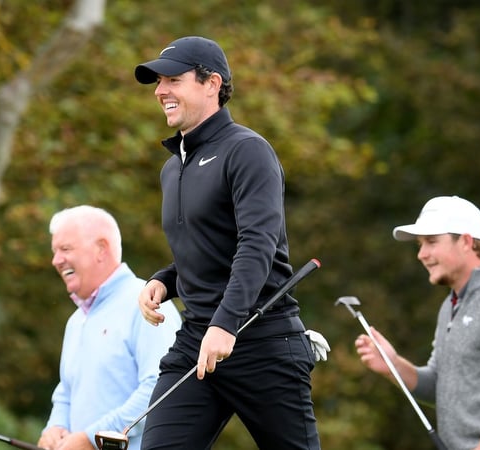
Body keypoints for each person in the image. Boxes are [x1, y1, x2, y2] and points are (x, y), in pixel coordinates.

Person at [134, 36, 322, 449]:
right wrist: (167, 281)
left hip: (263, 342)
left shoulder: (248, 151)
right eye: (158, 82)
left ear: (211, 83)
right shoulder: (172, 168)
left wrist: (226, 322)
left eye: (173, 80)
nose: (161, 90)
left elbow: (256, 245)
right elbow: (207, 249)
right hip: (197, 343)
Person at [355, 195, 480, 450]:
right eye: (420, 244)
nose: (421, 254)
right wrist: (393, 365)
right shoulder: (451, 305)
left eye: (431, 242)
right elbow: (440, 388)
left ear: (465, 241)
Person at [38, 205, 182, 450]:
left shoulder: (148, 303)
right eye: (54, 252)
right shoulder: (76, 321)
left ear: (101, 249)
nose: (56, 260)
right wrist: (53, 428)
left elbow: (159, 390)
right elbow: (66, 391)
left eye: (65, 249)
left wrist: (92, 438)